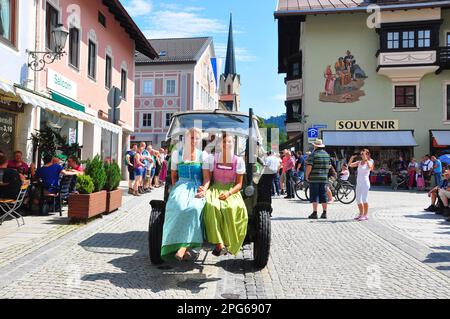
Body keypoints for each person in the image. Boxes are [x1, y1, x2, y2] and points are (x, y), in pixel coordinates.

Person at [161, 128, 207, 261]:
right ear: (186, 139)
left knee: (195, 208)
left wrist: (203, 189)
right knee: (178, 207)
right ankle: (178, 244)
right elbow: (174, 176)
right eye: (191, 138)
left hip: (197, 186)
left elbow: (206, 177)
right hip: (181, 185)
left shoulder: (203, 155)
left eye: (197, 138)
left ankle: (184, 247)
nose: (194, 140)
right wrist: (177, 189)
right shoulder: (177, 154)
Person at [203, 132, 248, 257]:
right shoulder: (212, 158)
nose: (227, 144)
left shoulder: (238, 160)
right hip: (216, 188)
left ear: (232, 144)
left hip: (231, 189)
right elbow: (207, 179)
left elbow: (239, 184)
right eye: (224, 142)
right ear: (220, 144)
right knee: (212, 206)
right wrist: (205, 189)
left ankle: (229, 242)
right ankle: (219, 244)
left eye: (229, 142)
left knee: (234, 208)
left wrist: (229, 193)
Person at [306, 139, 331, 219]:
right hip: (324, 178)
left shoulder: (313, 155)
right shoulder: (327, 154)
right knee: (323, 195)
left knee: (314, 195)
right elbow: (329, 166)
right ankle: (324, 212)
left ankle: (315, 212)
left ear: (315, 146)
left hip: (314, 178)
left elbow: (309, 166)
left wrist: (307, 175)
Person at [349, 149, 374, 221]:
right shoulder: (359, 162)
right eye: (361, 154)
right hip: (359, 183)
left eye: (363, 154)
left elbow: (371, 168)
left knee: (364, 199)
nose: (362, 155)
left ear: (367, 155)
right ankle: (361, 214)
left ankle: (365, 215)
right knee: (358, 199)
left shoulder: (370, 161)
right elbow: (350, 165)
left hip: (365, 183)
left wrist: (366, 160)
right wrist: (351, 158)